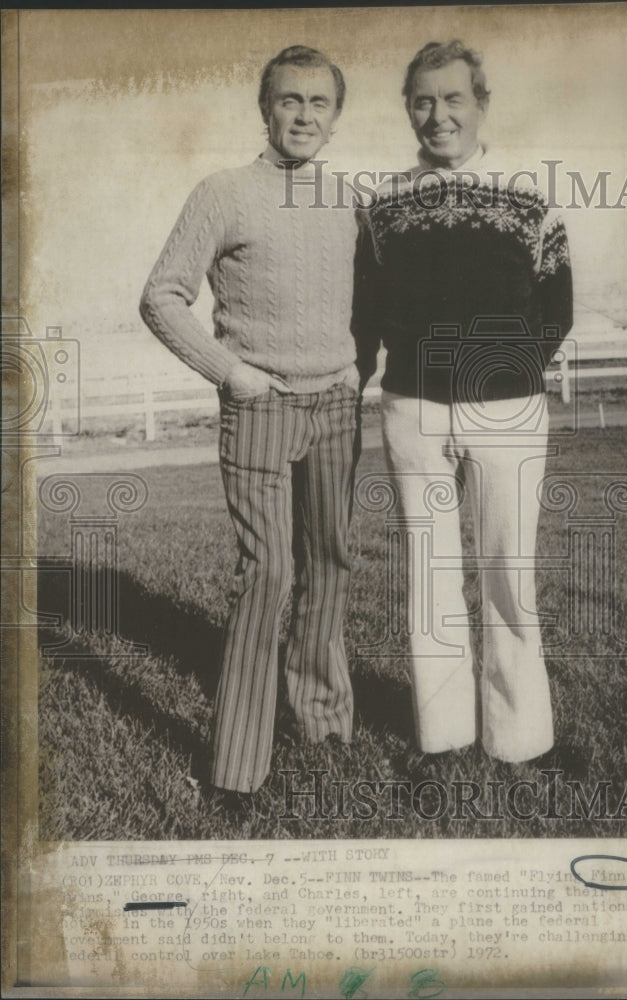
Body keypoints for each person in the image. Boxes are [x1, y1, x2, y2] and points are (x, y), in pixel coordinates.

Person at [140, 45, 360, 797]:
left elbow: (368, 296)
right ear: (266, 109)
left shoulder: (349, 200)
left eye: (319, 103)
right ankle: (237, 769)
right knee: (268, 572)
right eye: (289, 100)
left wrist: (358, 365)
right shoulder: (224, 192)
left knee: (329, 563)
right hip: (260, 407)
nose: (303, 115)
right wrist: (231, 373)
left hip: (336, 407)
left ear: (336, 117)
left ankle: (323, 724)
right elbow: (162, 295)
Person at [354, 40, 573, 764]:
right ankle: (444, 739)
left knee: (509, 574)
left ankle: (520, 741)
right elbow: (366, 312)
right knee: (431, 579)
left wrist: (507, 374)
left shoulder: (532, 194)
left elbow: (557, 305)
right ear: (408, 110)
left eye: (453, 98)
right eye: (422, 101)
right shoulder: (382, 203)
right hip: (412, 411)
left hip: (507, 412)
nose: (438, 115)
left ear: (481, 104)